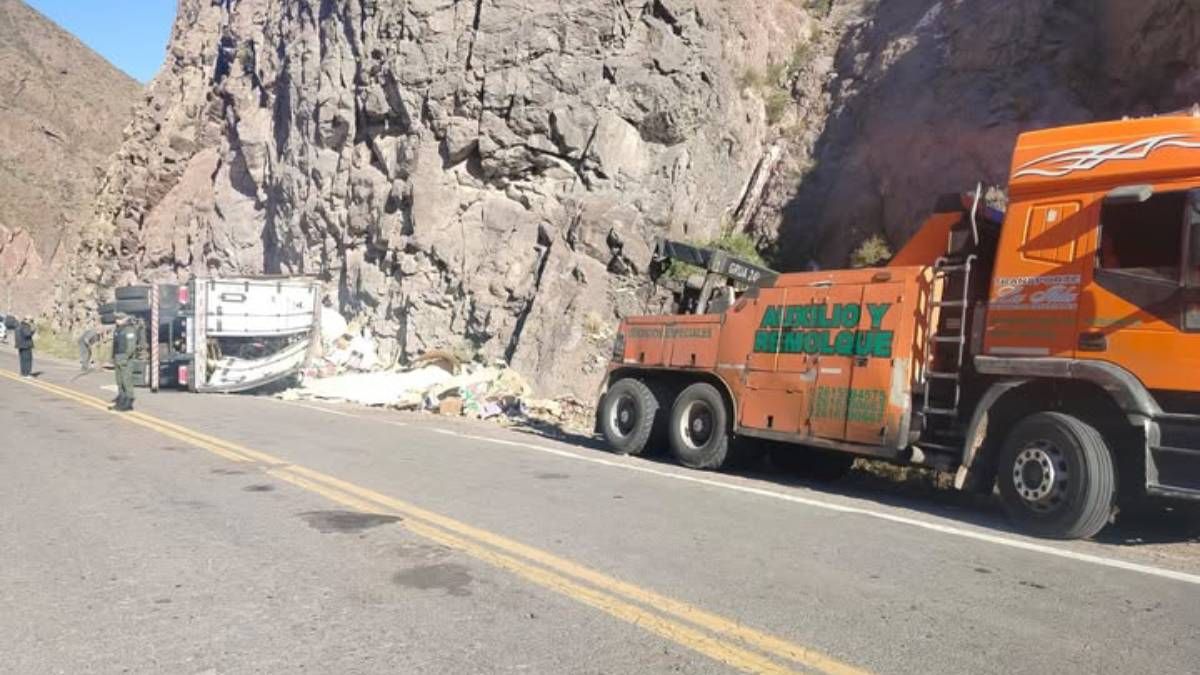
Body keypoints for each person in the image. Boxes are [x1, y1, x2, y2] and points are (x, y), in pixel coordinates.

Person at [111, 314, 145, 412]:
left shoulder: (129, 330)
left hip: (125, 358)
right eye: (117, 319)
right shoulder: (119, 329)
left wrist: (125, 358)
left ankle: (128, 401)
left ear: (125, 319)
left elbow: (131, 347)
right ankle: (121, 399)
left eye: (119, 319)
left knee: (126, 380)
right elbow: (115, 345)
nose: (117, 320)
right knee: (119, 381)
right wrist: (113, 357)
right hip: (118, 357)